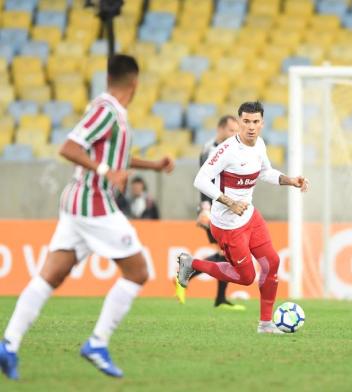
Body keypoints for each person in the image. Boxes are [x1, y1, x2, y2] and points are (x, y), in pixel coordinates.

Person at [0, 54, 174, 380]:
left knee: (51, 275)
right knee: (138, 271)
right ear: (134, 83)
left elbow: (115, 157)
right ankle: (97, 343)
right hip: (93, 203)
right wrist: (106, 171)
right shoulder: (106, 109)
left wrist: (154, 166)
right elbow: (68, 147)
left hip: (79, 204)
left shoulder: (115, 114)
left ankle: (8, 344)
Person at [177, 101, 309, 334]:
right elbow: (200, 180)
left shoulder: (260, 145)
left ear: (262, 123)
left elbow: (266, 172)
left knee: (272, 262)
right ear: (239, 123)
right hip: (227, 226)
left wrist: (291, 180)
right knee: (246, 277)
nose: (251, 127)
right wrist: (229, 202)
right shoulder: (226, 150)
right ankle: (192, 264)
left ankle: (266, 325)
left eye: (255, 122)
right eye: (246, 121)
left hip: (250, 216)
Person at [175, 115, 245, 311]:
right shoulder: (211, 151)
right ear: (220, 129)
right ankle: (187, 271)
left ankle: (219, 298)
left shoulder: (225, 148)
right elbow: (205, 182)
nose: (234, 134)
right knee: (227, 255)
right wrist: (205, 208)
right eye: (231, 130)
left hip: (224, 209)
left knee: (227, 256)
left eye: (235, 131)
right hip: (214, 210)